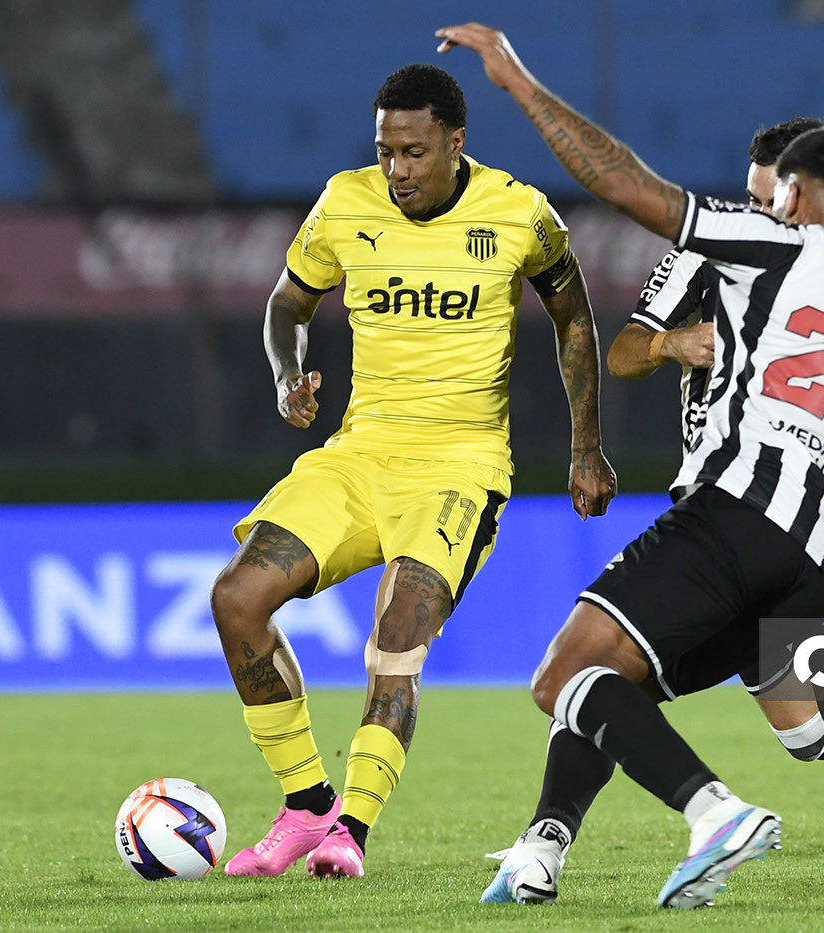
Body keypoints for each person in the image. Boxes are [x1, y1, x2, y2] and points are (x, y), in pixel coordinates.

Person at [436, 24, 824, 909]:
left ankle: (715, 813)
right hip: (819, 561)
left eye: (777, 193)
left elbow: (624, 184)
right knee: (614, 686)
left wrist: (516, 80)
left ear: (795, 192)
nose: (768, 204)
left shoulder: (779, 245)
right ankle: (543, 846)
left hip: (737, 514)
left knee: (563, 677)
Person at [211, 62, 617, 881]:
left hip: (460, 470)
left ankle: (349, 832)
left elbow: (573, 317)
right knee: (236, 598)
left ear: (454, 142)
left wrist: (584, 447)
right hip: (358, 457)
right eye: (385, 151)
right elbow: (288, 303)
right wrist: (287, 375)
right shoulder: (344, 202)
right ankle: (306, 805)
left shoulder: (518, 213)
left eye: (413, 152)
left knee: (397, 635)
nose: (395, 169)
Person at [609, 115, 824, 764]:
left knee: (598, 671)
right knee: (806, 738)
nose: (760, 212)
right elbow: (624, 353)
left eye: (771, 202)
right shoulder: (709, 254)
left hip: (799, 495)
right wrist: (670, 342)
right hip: (717, 488)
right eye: (752, 199)